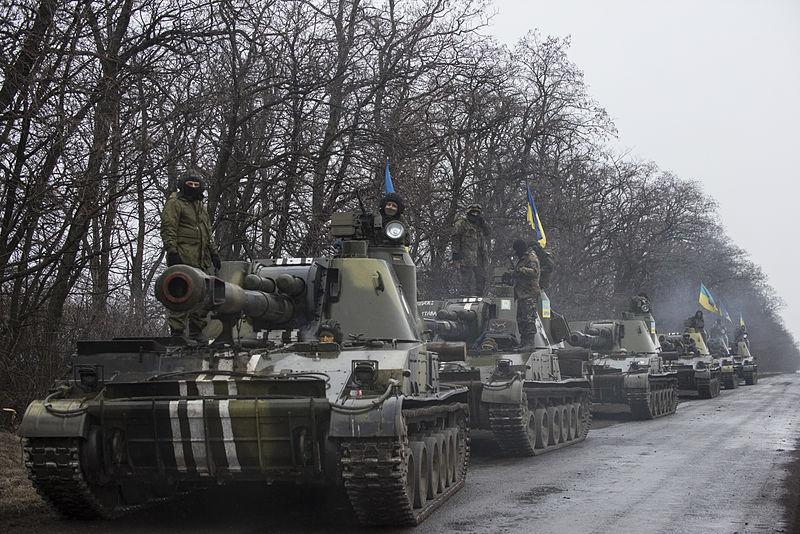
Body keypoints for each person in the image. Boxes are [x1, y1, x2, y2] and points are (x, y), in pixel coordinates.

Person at [160, 171, 220, 342]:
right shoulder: (175, 203)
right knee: (181, 293)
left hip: (202, 257)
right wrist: (172, 251)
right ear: (183, 185)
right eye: (190, 184)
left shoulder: (201, 207)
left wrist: (214, 253)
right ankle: (177, 332)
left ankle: (196, 331)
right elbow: (168, 227)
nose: (193, 188)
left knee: (203, 294)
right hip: (183, 255)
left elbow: (207, 232)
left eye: (196, 185)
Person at [451, 204, 490, 296]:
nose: (475, 215)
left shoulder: (480, 224)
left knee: (481, 278)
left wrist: (483, 222)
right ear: (468, 213)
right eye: (473, 212)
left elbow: (488, 231)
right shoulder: (462, 223)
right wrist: (456, 254)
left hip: (480, 256)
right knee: (466, 280)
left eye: (477, 213)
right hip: (466, 256)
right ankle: (464, 298)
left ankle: (479, 297)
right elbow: (455, 238)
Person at [512, 239, 540, 346]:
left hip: (529, 293)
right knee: (521, 319)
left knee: (528, 319)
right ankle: (524, 342)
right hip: (522, 294)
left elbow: (534, 272)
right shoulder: (523, 258)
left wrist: (521, 270)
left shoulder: (531, 257)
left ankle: (529, 342)